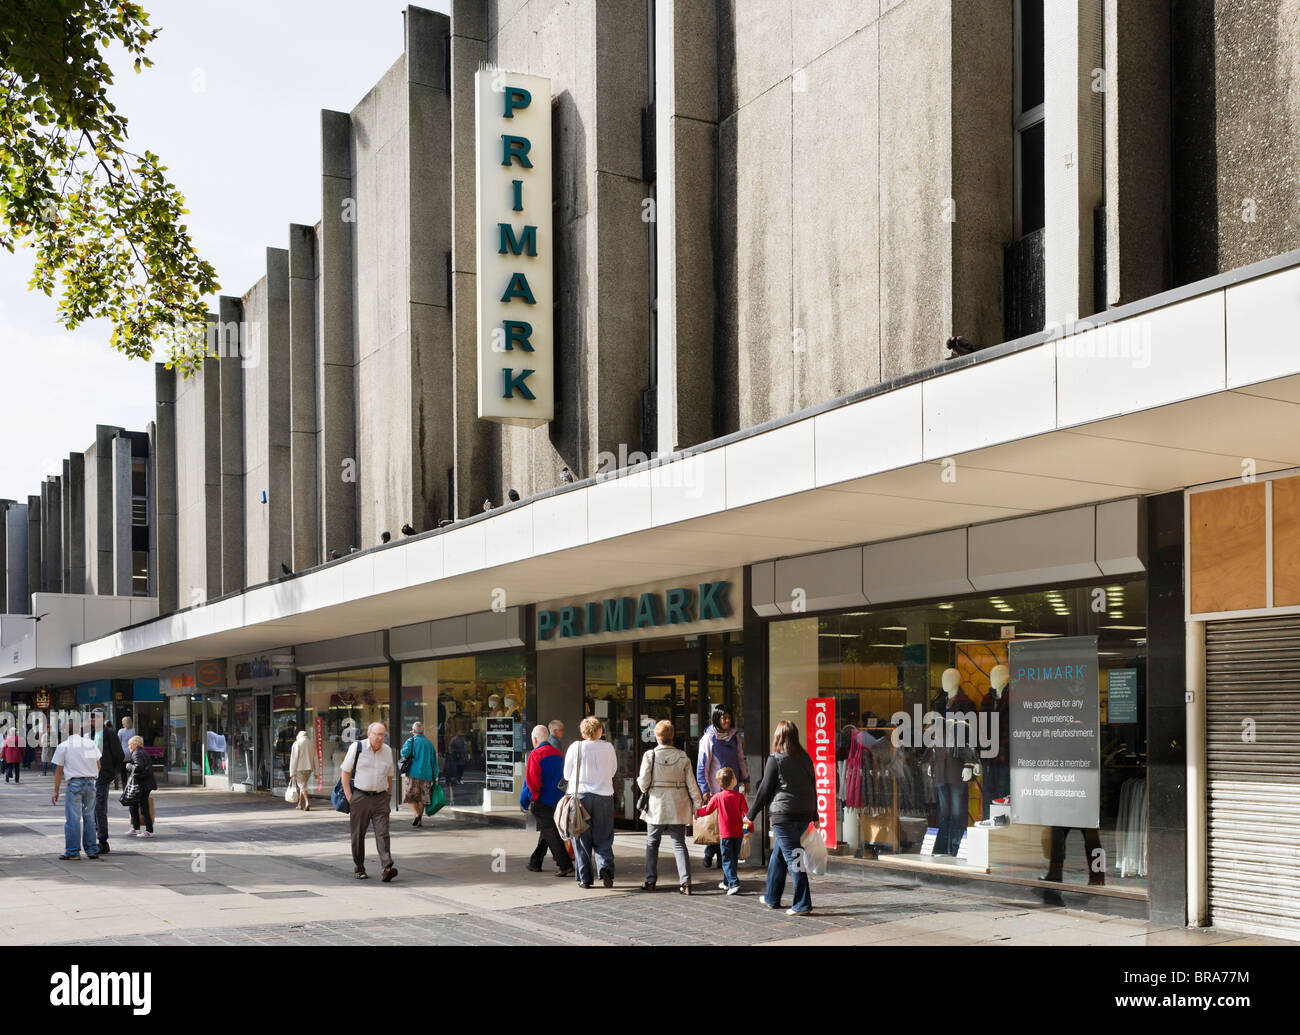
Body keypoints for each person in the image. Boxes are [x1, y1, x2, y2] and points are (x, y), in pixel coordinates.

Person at [746, 720, 817, 916]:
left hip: (783, 817)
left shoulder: (775, 759)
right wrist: (815, 814)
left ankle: (803, 904)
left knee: (794, 858)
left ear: (779, 737)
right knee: (779, 856)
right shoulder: (806, 758)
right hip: (803, 816)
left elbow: (763, 792)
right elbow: (813, 787)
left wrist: (750, 815)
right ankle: (771, 897)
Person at [637, 720, 702, 894]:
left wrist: (645, 786)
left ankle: (650, 881)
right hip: (678, 803)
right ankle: (686, 882)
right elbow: (691, 784)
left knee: (652, 843)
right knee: (679, 843)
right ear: (672, 736)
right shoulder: (682, 757)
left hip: (656, 804)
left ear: (657, 737)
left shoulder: (650, 755)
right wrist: (697, 804)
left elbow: (643, 783)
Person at [563, 716, 618, 889]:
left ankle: (585, 878)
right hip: (604, 796)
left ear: (583, 731)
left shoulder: (575, 747)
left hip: (581, 797)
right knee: (604, 837)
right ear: (600, 730)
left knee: (580, 838)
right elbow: (613, 771)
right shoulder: (608, 747)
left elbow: (566, 774)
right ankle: (605, 868)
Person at [340, 722, 397, 882]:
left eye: (383, 735)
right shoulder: (357, 748)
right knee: (358, 834)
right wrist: (349, 796)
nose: (380, 738)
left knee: (383, 833)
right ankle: (359, 868)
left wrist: (388, 795)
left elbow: (389, 774)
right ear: (369, 734)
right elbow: (345, 771)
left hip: (380, 798)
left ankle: (387, 867)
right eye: (377, 735)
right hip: (360, 797)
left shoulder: (387, 751)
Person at [696, 707, 748, 869]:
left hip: (732, 788)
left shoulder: (734, 737)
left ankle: (718, 857)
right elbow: (702, 766)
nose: (726, 721)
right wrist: (705, 789)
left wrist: (745, 779)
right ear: (716, 719)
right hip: (715, 789)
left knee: (727, 824)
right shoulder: (708, 738)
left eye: (728, 718)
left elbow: (741, 759)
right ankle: (711, 852)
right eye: (723, 718)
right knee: (719, 824)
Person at [521, 725, 570, 876]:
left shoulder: (536, 755)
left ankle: (565, 864)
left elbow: (532, 782)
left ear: (534, 739)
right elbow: (565, 779)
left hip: (542, 800)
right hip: (558, 799)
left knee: (549, 831)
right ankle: (535, 862)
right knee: (547, 830)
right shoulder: (559, 755)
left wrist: (529, 800)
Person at [50, 722, 102, 860]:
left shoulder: (63, 746)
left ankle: (73, 851)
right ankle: (91, 849)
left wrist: (56, 791)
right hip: (90, 782)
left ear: (65, 732)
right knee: (89, 817)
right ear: (79, 730)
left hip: (74, 784)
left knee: (73, 818)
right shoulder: (90, 743)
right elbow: (98, 765)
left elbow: (59, 771)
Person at [696, 766, 749, 895]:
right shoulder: (740, 797)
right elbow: (746, 815)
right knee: (733, 859)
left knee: (726, 859)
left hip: (725, 834)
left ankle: (733, 883)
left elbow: (707, 810)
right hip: (738, 834)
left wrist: (697, 813)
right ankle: (727, 882)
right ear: (733, 781)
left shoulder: (718, 797)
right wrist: (747, 830)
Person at [91, 712, 125, 855]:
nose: (93, 720)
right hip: (92, 775)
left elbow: (120, 754)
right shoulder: (92, 734)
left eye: (96, 717)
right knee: (93, 807)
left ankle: (103, 841)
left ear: (103, 719)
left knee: (99, 807)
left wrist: (112, 772)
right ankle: (95, 837)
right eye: (92, 717)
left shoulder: (109, 733)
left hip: (103, 775)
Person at [399, 721, 436, 827]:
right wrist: (434, 775)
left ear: (414, 731)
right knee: (422, 798)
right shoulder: (429, 743)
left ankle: (416, 815)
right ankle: (420, 820)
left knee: (410, 796)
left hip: (413, 773)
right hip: (427, 774)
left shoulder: (411, 741)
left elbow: (404, 753)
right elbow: (434, 761)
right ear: (422, 731)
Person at [124, 735, 157, 837]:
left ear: (135, 744)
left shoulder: (137, 753)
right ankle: (135, 827)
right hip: (145, 783)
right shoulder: (142, 751)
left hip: (143, 784)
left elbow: (138, 767)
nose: (128, 747)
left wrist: (129, 766)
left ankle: (148, 831)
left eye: (130, 744)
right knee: (134, 805)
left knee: (142, 806)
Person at [288, 729, 314, 811]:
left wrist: (291, 772)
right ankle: (299, 804)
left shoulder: (297, 743)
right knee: (303, 786)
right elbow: (315, 758)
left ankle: (307, 802)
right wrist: (316, 771)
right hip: (309, 768)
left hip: (299, 768)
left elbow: (294, 759)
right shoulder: (311, 743)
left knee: (302, 786)